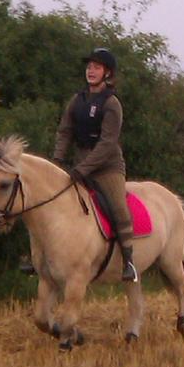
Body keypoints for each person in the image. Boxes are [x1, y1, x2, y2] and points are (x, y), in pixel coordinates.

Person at [51, 47, 137, 282]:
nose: (91, 70)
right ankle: (41, 259)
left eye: (96, 67)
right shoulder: (76, 100)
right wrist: (57, 160)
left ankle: (129, 261)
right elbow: (65, 131)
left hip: (107, 167)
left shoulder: (112, 104)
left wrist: (83, 169)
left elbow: (107, 143)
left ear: (107, 73)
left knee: (119, 207)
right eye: (89, 66)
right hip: (80, 164)